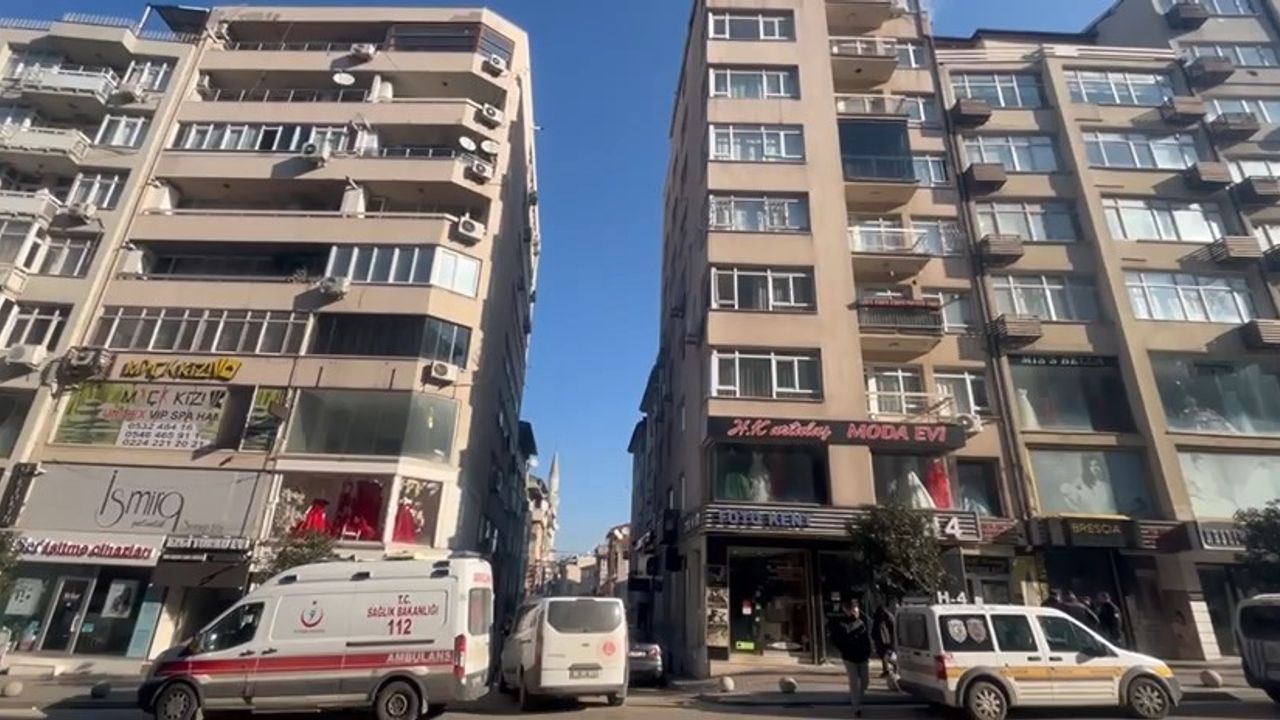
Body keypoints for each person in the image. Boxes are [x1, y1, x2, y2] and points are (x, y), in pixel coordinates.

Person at [831, 598, 873, 717]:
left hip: (863, 656)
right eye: (853, 611)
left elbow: (866, 639)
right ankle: (856, 707)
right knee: (854, 682)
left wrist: (868, 651)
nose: (856, 613)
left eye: (857, 610)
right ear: (847, 611)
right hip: (850, 658)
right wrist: (845, 649)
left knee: (865, 681)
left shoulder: (862, 622)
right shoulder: (842, 624)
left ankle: (858, 698)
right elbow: (836, 640)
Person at [871, 601, 898, 678]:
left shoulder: (886, 617)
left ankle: (894, 667)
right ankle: (887, 670)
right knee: (884, 655)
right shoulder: (883, 616)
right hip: (882, 639)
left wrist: (892, 640)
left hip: (885, 639)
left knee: (887, 656)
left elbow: (892, 629)